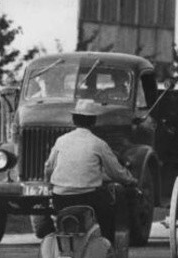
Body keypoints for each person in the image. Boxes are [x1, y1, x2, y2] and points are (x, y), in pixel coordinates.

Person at [44, 99, 138, 243]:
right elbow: (115, 172)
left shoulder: (61, 140)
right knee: (108, 216)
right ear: (93, 121)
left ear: (74, 119)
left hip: (60, 198)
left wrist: (49, 185)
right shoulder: (98, 143)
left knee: (59, 222)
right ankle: (108, 249)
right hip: (87, 197)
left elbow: (49, 167)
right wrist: (130, 180)